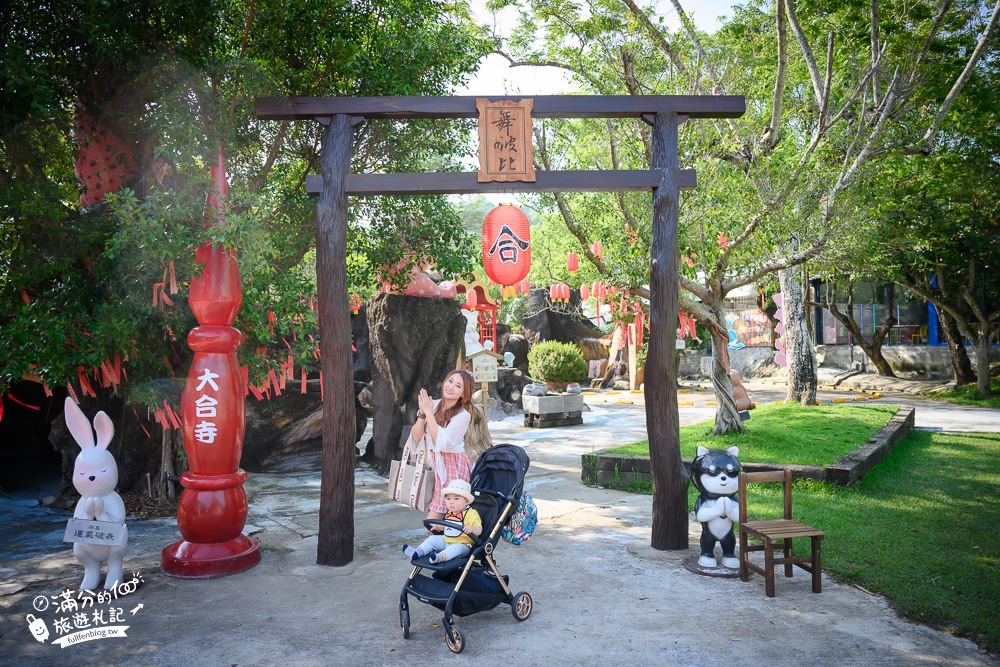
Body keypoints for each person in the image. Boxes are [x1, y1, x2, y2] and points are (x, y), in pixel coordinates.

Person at [405, 369, 475, 525]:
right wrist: (422, 414)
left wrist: (429, 414)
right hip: (435, 464)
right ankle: (448, 543)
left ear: (464, 394)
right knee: (448, 518)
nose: (451, 387)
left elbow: (441, 444)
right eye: (450, 381)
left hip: (453, 466)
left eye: (458, 386)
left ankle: (450, 543)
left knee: (442, 518)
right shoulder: (433, 405)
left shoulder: (463, 415)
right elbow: (416, 438)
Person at [402, 480, 482, 563]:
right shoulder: (450, 512)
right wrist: (439, 527)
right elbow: (450, 527)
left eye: (456, 498)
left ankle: (440, 557)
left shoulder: (471, 513)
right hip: (447, 540)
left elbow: (479, 530)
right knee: (432, 539)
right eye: (448, 498)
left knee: (455, 548)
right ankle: (418, 552)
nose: (451, 502)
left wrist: (471, 528)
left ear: (467, 501)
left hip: (463, 544)